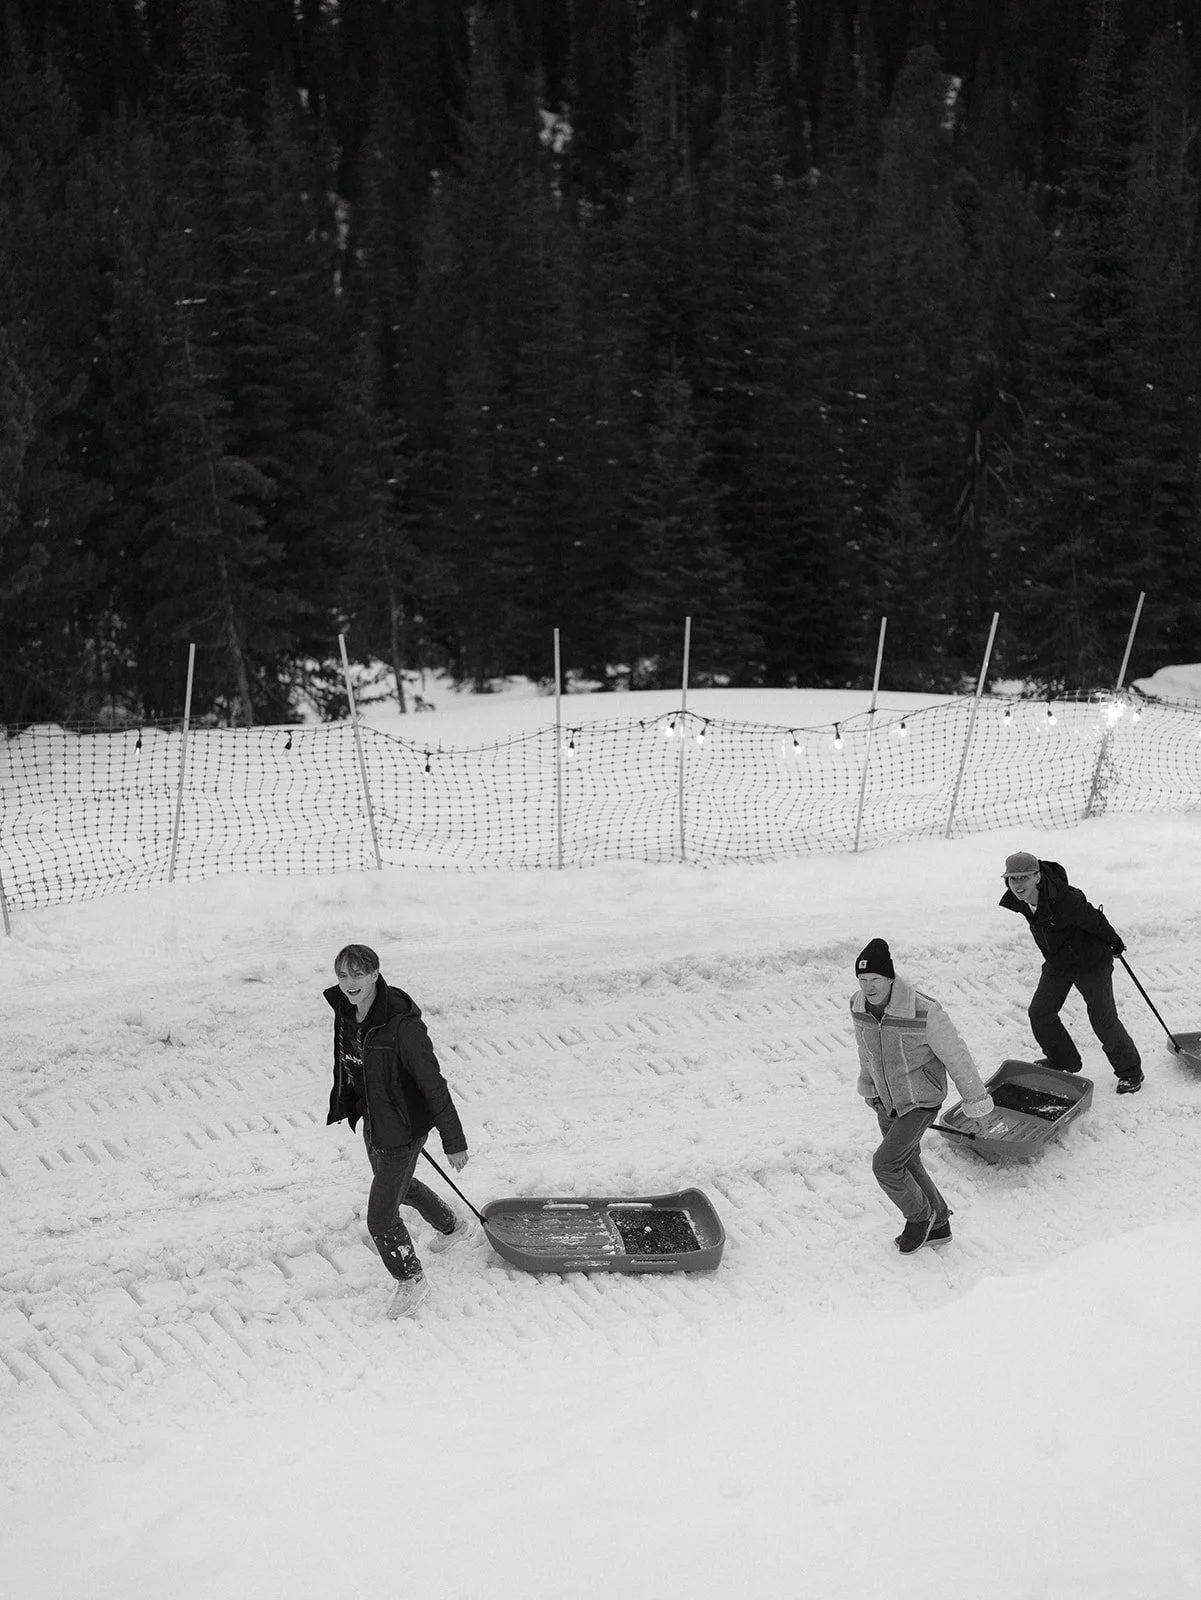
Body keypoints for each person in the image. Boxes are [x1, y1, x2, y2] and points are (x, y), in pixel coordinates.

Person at [324, 943, 472, 1318]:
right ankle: (451, 1227)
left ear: (375, 973)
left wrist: (453, 1141)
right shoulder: (347, 1012)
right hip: (375, 1121)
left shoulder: (402, 1026)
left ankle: (411, 1278)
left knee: (380, 1217)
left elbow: (432, 1084)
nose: (348, 982)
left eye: (357, 974)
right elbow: (354, 1066)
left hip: (401, 1131)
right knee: (398, 1187)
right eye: (342, 975)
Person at [850, 938, 994, 1255]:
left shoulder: (925, 1012)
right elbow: (866, 1051)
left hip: (921, 1101)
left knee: (885, 1165)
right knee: (906, 1160)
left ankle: (919, 1217)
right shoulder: (858, 1006)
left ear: (890, 978)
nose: (868, 987)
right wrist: (869, 1086)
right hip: (886, 1101)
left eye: (874, 979)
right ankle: (939, 1222)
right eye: (862, 980)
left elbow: (957, 1057)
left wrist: (977, 1104)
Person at [999, 851, 1143, 1094]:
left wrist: (1115, 944)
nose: (1018, 884)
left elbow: (1095, 921)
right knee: (1040, 1013)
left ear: (1037, 876)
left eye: (1024, 877)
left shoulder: (1067, 898)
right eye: (1013, 879)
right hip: (1059, 962)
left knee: (1102, 1019)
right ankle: (1063, 1060)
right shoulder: (1021, 900)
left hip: (1091, 963)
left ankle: (1130, 1072)